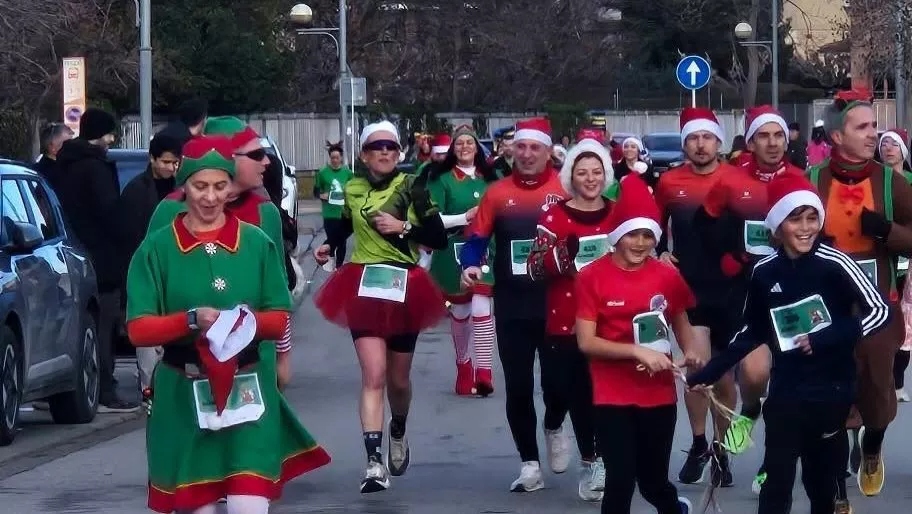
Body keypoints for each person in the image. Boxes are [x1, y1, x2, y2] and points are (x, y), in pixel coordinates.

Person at [126, 135, 330, 514]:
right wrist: (191, 320)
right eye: (199, 186)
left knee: (247, 503)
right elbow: (139, 329)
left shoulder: (255, 243)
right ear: (182, 187)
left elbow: (278, 317)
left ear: (231, 188)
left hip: (246, 390)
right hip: (182, 392)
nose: (209, 197)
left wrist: (243, 323)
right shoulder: (157, 249)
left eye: (220, 186)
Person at [687, 172, 890, 514]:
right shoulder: (764, 271)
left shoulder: (835, 263)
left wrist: (826, 338)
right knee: (776, 485)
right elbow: (752, 330)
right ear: (778, 226)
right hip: (786, 393)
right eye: (796, 219)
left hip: (832, 391)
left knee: (820, 487)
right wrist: (710, 371)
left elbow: (881, 311)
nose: (806, 228)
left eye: (813, 218)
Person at [313, 121, 448, 493]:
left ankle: (398, 427)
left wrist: (402, 227)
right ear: (364, 155)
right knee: (372, 374)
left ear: (398, 153)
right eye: (377, 147)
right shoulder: (353, 188)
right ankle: (373, 463)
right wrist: (329, 244)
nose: (385, 152)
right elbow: (343, 226)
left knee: (397, 380)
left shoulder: (411, 188)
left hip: (405, 285)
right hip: (364, 285)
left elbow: (438, 237)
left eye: (391, 146)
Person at [694, 105, 805, 493]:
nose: (773, 143)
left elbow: (815, 228)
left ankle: (771, 466)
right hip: (748, 287)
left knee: (790, 387)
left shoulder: (798, 178)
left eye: (778, 135)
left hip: (792, 289)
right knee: (755, 375)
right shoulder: (730, 180)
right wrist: (727, 256)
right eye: (764, 136)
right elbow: (703, 225)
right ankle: (751, 409)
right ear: (751, 141)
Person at [806, 88, 912, 497]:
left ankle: (872, 445)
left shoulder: (890, 182)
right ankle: (836, 481)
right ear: (837, 137)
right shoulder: (813, 180)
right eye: (863, 127)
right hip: (828, 307)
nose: (873, 134)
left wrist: (887, 231)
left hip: (878, 305)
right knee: (833, 389)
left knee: (876, 386)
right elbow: (786, 232)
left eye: (874, 126)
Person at [575, 174, 700, 514]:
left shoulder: (666, 275)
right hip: (611, 392)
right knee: (620, 479)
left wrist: (690, 350)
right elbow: (585, 341)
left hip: (658, 392)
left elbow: (679, 318)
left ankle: (675, 509)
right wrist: (635, 351)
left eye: (648, 235)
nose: (640, 243)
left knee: (653, 482)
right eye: (632, 234)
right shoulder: (591, 276)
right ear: (616, 236)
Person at [460, 117, 569, 492]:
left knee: (559, 386)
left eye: (533, 148)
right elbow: (476, 237)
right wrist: (470, 263)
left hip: (557, 303)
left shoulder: (565, 188)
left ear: (548, 150)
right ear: (511, 150)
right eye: (520, 147)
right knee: (519, 387)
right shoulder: (496, 193)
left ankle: (554, 423)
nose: (525, 154)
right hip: (513, 304)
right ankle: (529, 464)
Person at [146, 117, 295, 387]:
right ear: (228, 156)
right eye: (257, 154)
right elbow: (148, 292)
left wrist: (283, 355)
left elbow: (278, 294)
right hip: (184, 366)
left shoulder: (265, 212)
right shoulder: (169, 211)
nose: (266, 162)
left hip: (253, 361)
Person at [526, 138, 616, 502]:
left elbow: (641, 253)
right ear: (571, 177)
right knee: (564, 390)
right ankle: (552, 422)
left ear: (606, 175)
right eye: (582, 172)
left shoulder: (617, 214)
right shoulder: (554, 216)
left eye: (597, 172)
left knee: (597, 395)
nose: (590, 179)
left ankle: (595, 462)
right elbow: (533, 268)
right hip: (565, 318)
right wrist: (563, 255)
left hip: (611, 318)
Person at [653, 107, 734, 485]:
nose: (700, 145)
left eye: (707, 138)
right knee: (696, 367)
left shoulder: (737, 179)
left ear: (718, 140)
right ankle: (699, 443)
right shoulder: (669, 182)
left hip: (735, 289)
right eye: (693, 138)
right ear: (684, 143)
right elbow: (651, 227)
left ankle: (721, 450)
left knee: (727, 377)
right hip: (689, 289)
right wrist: (659, 253)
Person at [56, 108, 140, 412]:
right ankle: (105, 386)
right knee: (105, 326)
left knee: (84, 326)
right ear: (99, 134)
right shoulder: (96, 168)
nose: (112, 139)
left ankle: (84, 384)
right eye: (109, 133)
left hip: (72, 255)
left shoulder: (65, 165)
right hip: (102, 261)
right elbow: (111, 213)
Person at [425, 124, 499, 396]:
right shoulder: (441, 178)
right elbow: (433, 218)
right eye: (460, 143)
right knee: (460, 311)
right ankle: (463, 364)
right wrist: (464, 217)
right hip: (453, 248)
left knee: (482, 304)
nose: (465, 147)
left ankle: (484, 372)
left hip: (485, 248)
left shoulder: (492, 176)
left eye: (470, 142)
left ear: (477, 147)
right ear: (452, 149)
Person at [117, 133, 183, 393]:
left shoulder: (181, 191)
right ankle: (149, 388)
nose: (170, 168)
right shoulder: (136, 190)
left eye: (175, 163)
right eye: (166, 162)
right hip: (147, 269)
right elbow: (130, 236)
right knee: (148, 336)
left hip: (176, 269)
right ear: (152, 159)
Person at [879, 129, 912, 402]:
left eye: (894, 144)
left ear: (904, 151)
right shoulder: (876, 181)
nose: (889, 148)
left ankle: (897, 381)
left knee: (904, 312)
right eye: (884, 144)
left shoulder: (910, 181)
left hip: (906, 257)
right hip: (881, 254)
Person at [314, 141, 354, 271]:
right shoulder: (323, 173)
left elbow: (353, 192)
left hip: (343, 213)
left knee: (341, 241)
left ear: (341, 158)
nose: (335, 160)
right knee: (332, 239)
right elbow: (316, 191)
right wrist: (322, 196)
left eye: (337, 157)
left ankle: (339, 267)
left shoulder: (348, 174)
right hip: (329, 213)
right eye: (332, 158)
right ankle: (330, 260)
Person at [33, 122, 74, 192]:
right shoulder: (52, 173)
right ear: (52, 147)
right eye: (67, 143)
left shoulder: (67, 167)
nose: (73, 147)